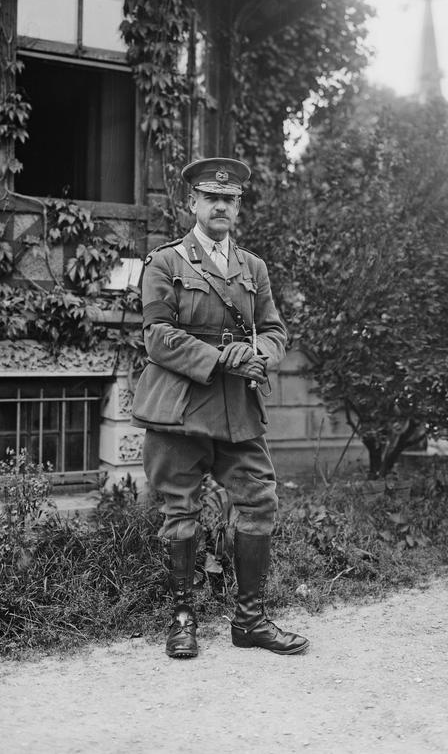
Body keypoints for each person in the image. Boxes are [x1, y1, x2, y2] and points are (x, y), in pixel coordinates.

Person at [132, 157, 309, 659]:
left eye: (229, 199)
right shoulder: (165, 262)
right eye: (211, 197)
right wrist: (221, 360)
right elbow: (158, 338)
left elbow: (274, 330)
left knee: (259, 500)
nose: (220, 206)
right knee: (180, 509)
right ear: (192, 203)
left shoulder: (253, 268)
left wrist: (259, 355)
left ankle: (249, 620)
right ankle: (183, 618)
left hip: (238, 411)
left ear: (237, 207)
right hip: (181, 408)